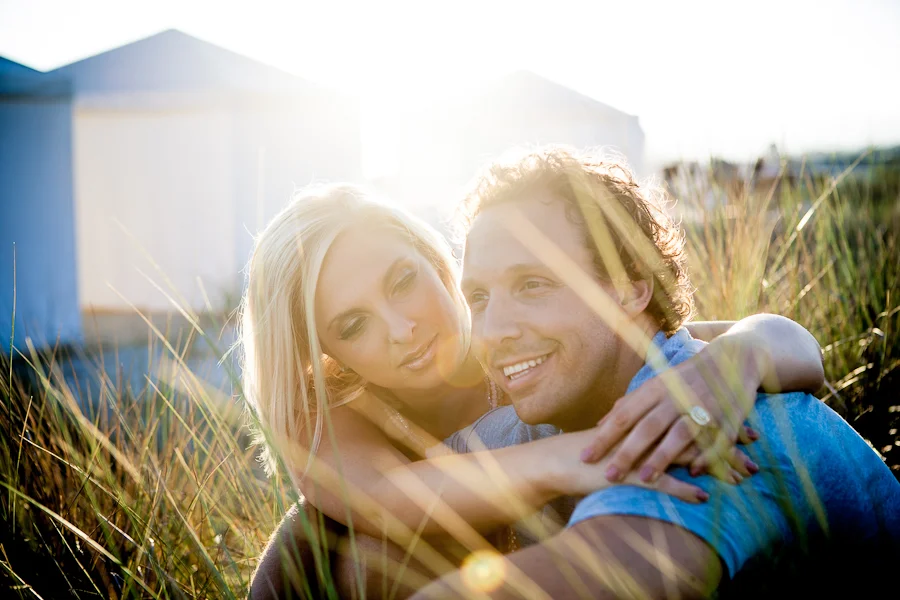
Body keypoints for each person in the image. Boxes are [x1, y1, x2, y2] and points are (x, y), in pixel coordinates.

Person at [242, 182, 825, 599]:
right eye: (353, 325)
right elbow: (393, 503)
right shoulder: (330, 420)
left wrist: (734, 362)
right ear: (324, 355)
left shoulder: (519, 344)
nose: (402, 329)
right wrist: (597, 454)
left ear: (432, 259)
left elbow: (789, 348)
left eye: (402, 281)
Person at [410, 146, 900, 599]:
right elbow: (392, 494)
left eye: (533, 284)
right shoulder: (539, 423)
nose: (492, 330)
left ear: (630, 291)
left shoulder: (714, 424)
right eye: (478, 297)